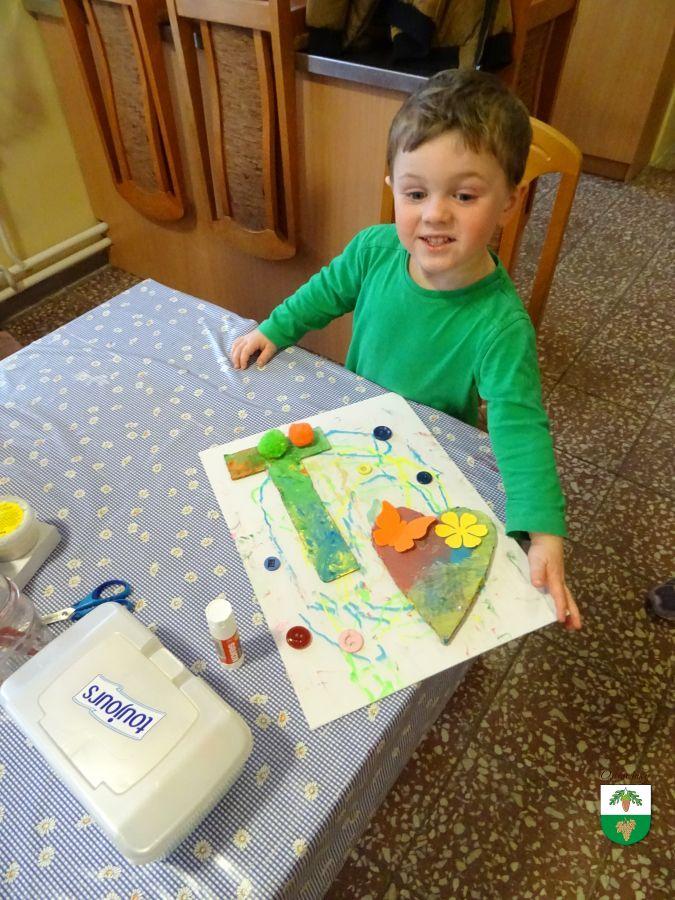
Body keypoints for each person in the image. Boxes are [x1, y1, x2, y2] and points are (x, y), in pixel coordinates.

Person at [230, 68, 582, 630]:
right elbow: (323, 294)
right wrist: (276, 329)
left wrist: (544, 533)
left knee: (410, 602)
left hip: (427, 467)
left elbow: (520, 428)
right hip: (349, 437)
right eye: (416, 193)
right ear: (392, 186)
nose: (435, 213)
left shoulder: (501, 326)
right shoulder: (374, 250)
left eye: (464, 195)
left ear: (509, 202)